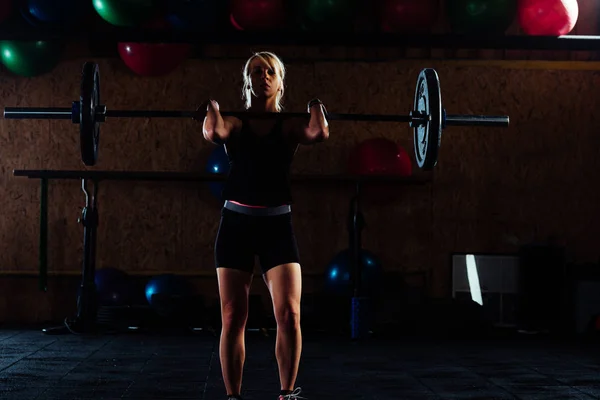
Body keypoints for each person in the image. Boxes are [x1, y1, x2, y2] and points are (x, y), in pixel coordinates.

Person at [199, 51, 329, 400]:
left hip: (276, 226)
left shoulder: (288, 125)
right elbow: (214, 132)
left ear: (279, 81)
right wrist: (212, 106)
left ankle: (287, 394)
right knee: (231, 316)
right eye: (256, 71)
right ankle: (233, 396)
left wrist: (315, 103)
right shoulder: (237, 122)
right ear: (248, 81)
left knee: (289, 314)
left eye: (270, 71)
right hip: (236, 224)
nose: (264, 76)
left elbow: (319, 132)